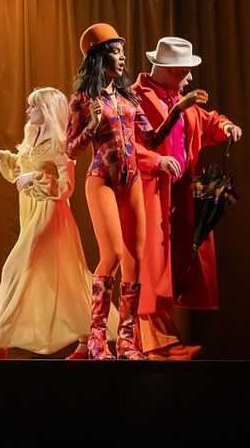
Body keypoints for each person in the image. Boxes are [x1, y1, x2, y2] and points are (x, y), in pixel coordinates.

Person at [64, 23, 201, 360]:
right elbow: (69, 149)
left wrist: (178, 110)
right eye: (115, 51)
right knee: (111, 254)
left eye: (123, 51)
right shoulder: (83, 99)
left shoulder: (127, 97)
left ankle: (126, 341)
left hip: (132, 182)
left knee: (136, 263)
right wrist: (92, 127)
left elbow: (152, 139)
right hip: (102, 180)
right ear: (99, 57)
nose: (122, 57)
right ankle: (97, 339)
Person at [0, 88, 105, 360]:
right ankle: (87, 339)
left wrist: (35, 178)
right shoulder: (32, 135)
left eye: (34, 107)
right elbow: (20, 165)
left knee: (14, 268)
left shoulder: (59, 143)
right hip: (29, 210)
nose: (28, 111)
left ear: (48, 109)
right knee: (66, 279)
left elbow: (66, 188)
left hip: (49, 213)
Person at [133, 37, 241, 360]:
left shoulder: (183, 100)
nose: (191, 78)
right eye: (186, 71)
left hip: (179, 196)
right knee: (150, 267)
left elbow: (206, 122)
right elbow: (127, 144)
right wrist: (155, 161)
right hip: (150, 193)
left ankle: (162, 340)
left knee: (174, 266)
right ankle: (154, 343)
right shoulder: (137, 99)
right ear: (169, 70)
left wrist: (225, 127)